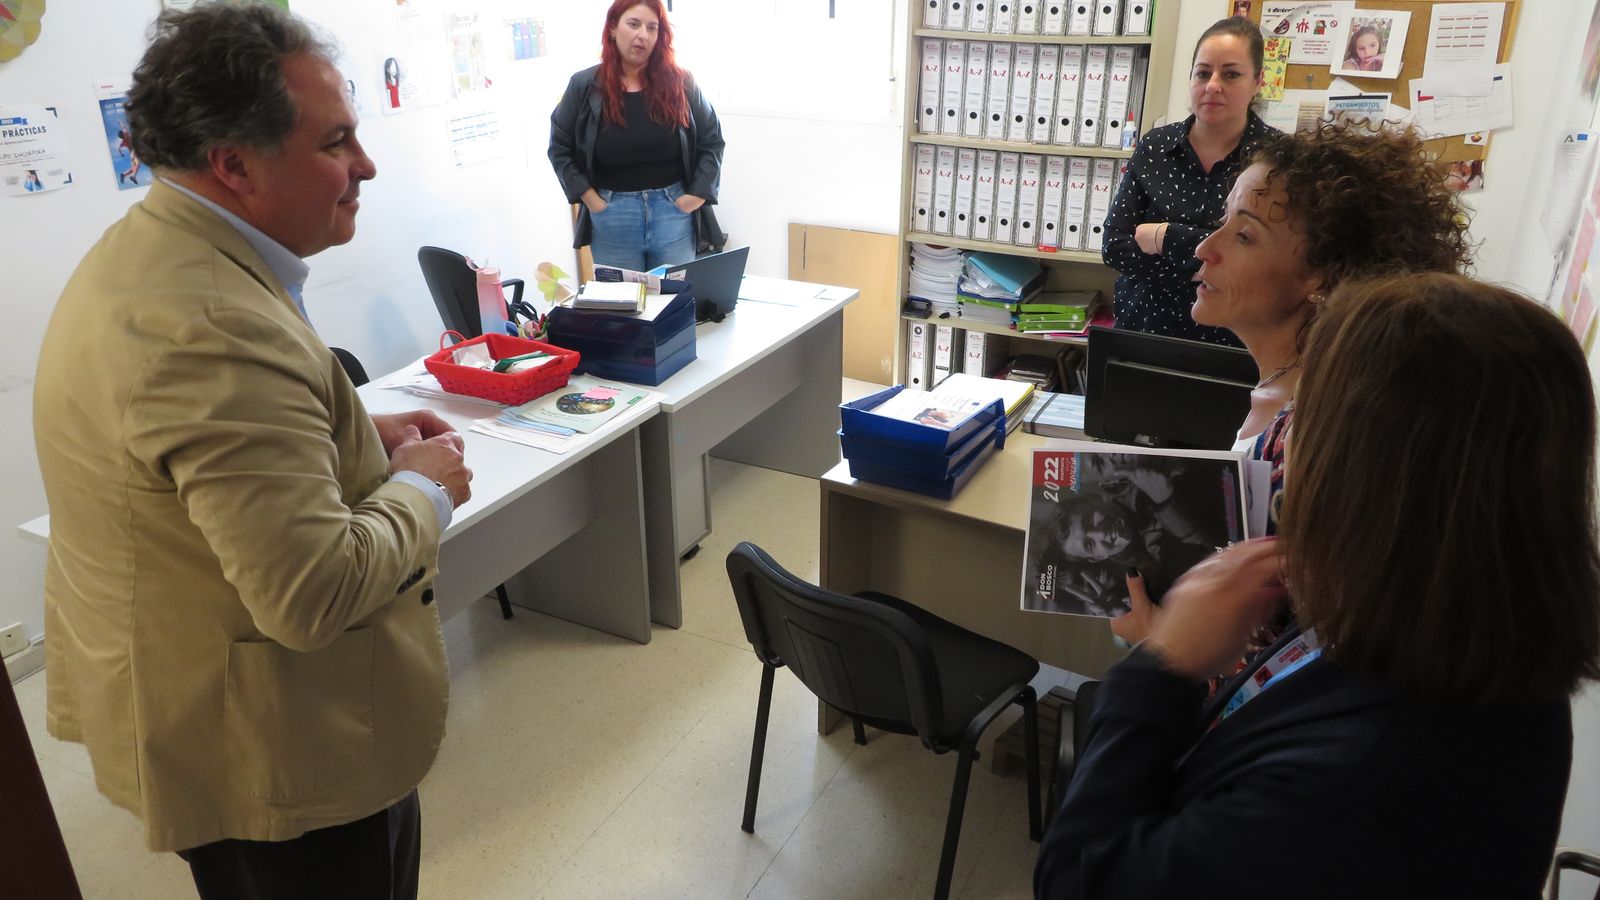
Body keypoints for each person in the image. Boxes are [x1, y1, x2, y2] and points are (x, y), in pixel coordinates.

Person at [33, 6, 472, 898]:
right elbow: (311, 595)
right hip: (270, 746)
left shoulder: (157, 249)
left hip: (208, 690)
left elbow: (217, 458)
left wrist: (350, 439)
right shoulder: (212, 326)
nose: (366, 167)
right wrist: (423, 491)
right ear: (233, 163)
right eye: (337, 143)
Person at [1036, 273, 1600, 897]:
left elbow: (1076, 883)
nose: (1287, 433)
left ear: (1371, 473)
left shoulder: (1359, 787)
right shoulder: (1439, 615)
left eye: (1309, 416)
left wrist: (1163, 665)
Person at [1109, 121, 1471, 648]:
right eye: (1221, 222)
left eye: (1245, 234)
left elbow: (1292, 655)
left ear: (1321, 278)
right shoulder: (1289, 383)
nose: (1205, 248)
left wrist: (1160, 642)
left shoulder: (1316, 431)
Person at [1102, 17, 1275, 346]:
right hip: (1143, 329)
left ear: (1257, 82)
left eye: (1231, 73)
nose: (1213, 85)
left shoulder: (1276, 159)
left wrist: (1166, 236)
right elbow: (1114, 246)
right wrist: (1208, 265)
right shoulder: (1155, 147)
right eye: (1203, 72)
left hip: (1233, 340)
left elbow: (1265, 264)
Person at [549, 0, 725, 271]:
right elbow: (560, 148)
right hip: (613, 215)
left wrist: (698, 195)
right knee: (622, 308)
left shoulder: (681, 83)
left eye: (652, 28)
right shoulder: (584, 86)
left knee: (673, 306)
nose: (643, 35)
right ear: (612, 29)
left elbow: (712, 140)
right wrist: (590, 199)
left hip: (673, 212)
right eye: (634, 24)